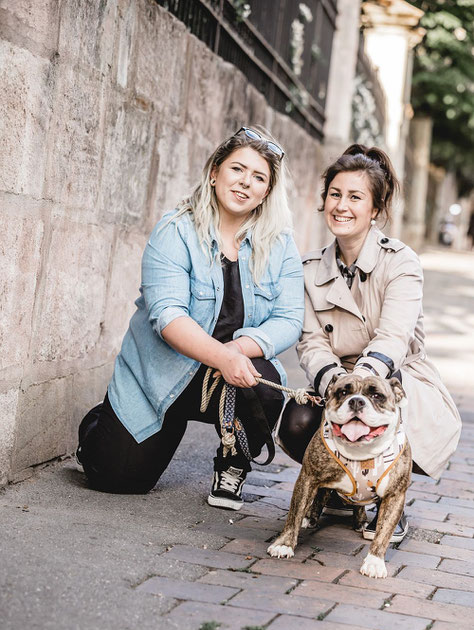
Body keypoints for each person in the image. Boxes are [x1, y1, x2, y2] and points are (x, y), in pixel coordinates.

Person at [77, 126, 304, 511]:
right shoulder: (175, 230)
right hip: (163, 376)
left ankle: (232, 466)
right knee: (117, 479)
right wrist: (222, 357)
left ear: (267, 191)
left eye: (259, 177)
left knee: (263, 382)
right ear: (214, 172)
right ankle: (102, 422)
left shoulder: (279, 244)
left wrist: (234, 352)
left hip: (224, 377)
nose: (246, 183)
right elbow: (167, 316)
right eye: (237, 169)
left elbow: (289, 318)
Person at [278, 144, 461, 542]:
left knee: (388, 410)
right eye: (335, 194)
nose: (341, 206)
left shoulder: (402, 262)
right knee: (297, 421)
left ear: (376, 209)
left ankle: (389, 498)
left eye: (356, 197)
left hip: (395, 376)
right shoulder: (307, 269)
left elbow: (393, 338)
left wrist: (359, 390)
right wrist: (335, 389)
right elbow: (311, 343)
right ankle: (337, 487)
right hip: (335, 377)